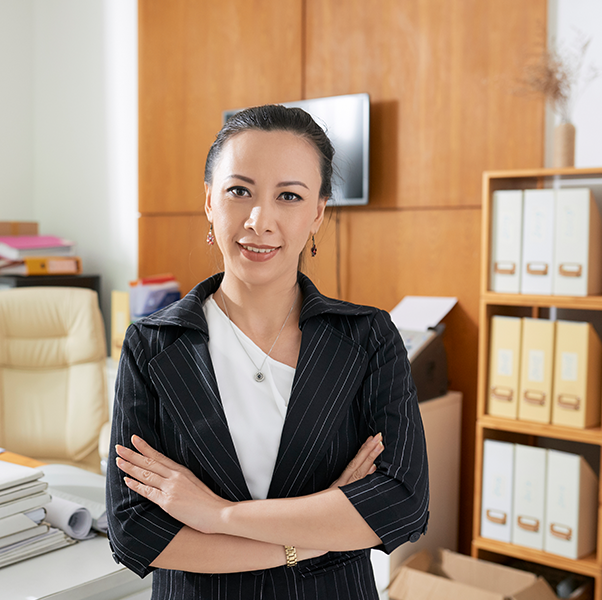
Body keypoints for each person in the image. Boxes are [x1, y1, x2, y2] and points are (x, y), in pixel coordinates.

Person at [106, 104, 429, 599]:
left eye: (289, 196)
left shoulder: (368, 338)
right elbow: (134, 531)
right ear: (210, 201)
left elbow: (402, 504)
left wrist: (219, 515)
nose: (260, 220)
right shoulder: (152, 346)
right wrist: (314, 539)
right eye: (240, 191)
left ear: (318, 212)